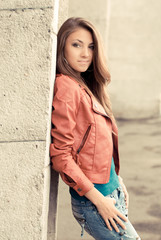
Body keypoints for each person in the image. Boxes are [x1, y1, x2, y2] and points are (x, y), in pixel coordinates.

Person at [50, 17, 141, 240]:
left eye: (90, 47)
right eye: (76, 45)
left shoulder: (84, 84)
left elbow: (95, 144)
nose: (85, 54)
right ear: (62, 46)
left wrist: (117, 180)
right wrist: (100, 202)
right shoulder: (66, 87)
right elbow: (61, 155)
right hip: (96, 202)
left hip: (111, 193)